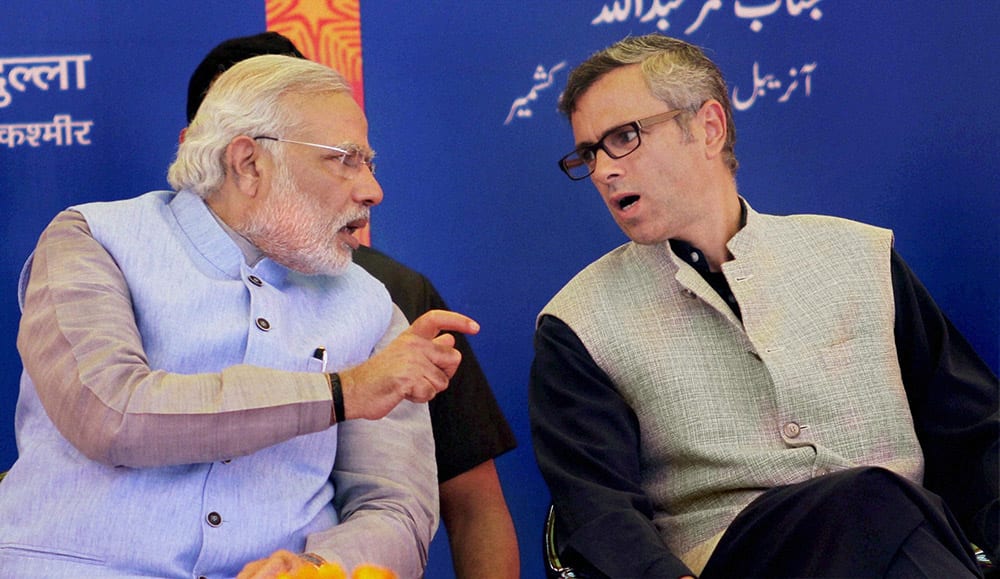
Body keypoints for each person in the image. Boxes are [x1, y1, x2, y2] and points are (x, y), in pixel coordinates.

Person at [529, 33, 998, 578]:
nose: (605, 170)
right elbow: (597, 513)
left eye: (624, 137)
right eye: (589, 153)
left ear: (708, 127)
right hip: (734, 560)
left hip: (904, 536)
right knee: (869, 498)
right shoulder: (577, 323)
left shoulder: (856, 256)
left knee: (880, 506)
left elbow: (975, 435)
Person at [0, 54, 482, 578]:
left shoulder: (370, 303)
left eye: (369, 162)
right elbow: (109, 414)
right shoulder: (92, 240)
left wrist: (322, 568)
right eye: (344, 159)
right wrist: (341, 393)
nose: (372, 189)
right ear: (249, 163)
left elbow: (395, 508)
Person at [184, 32, 519, 578]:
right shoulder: (117, 266)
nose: (368, 189)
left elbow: (470, 506)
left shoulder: (390, 298)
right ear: (229, 155)